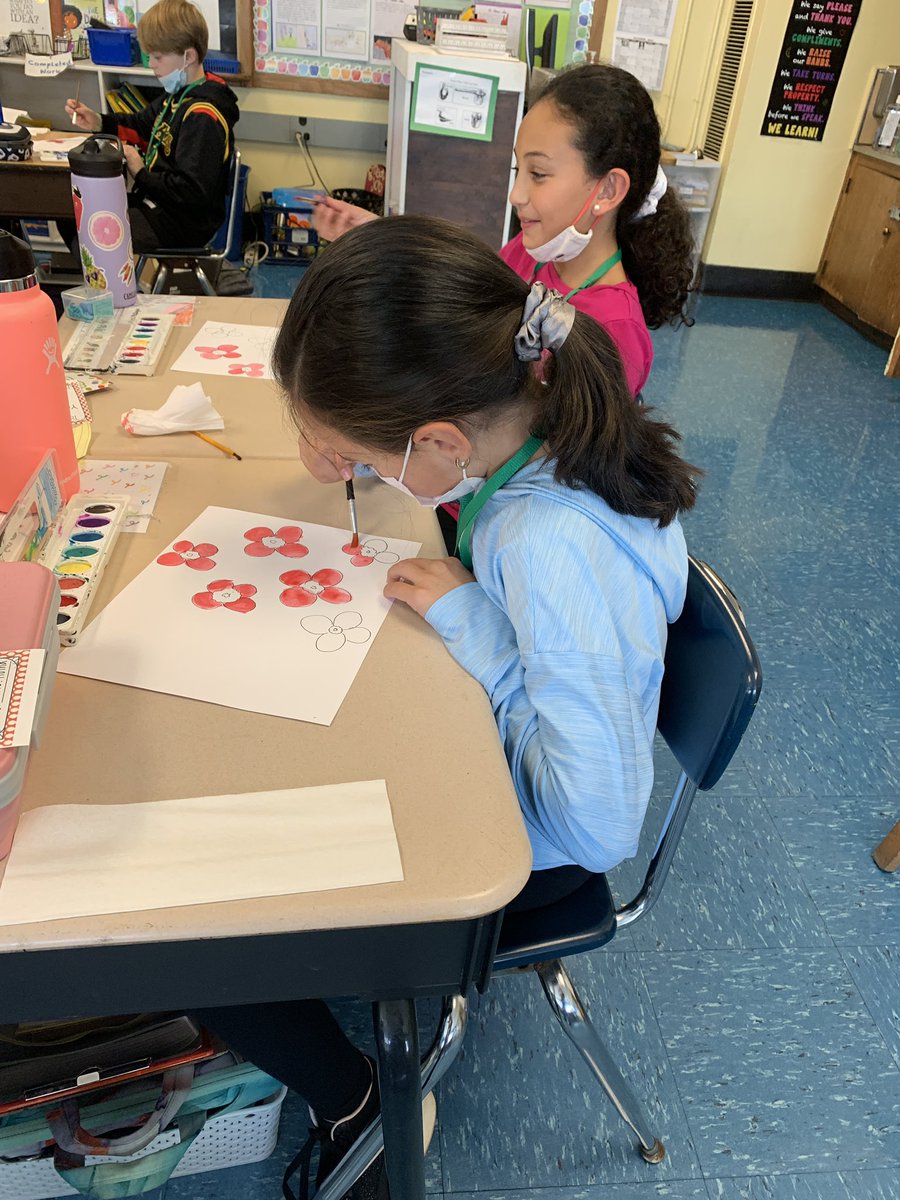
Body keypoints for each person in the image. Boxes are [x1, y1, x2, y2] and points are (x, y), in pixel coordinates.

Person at [194, 214, 700, 1199]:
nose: (366, 479)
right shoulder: (543, 428)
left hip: (524, 857)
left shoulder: (539, 542)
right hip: (508, 751)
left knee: (212, 916)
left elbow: (598, 821)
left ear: (437, 440)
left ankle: (359, 1105)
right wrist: (348, 447)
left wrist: (480, 631)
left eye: (369, 462)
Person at [312, 63, 695, 398]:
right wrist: (383, 242)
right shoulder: (532, 252)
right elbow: (467, 296)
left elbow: (569, 463)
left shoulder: (615, 329)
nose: (516, 195)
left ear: (608, 190)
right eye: (518, 171)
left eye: (539, 175)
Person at [64, 0, 239, 253]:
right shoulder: (178, 96)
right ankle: (120, 285)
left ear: (188, 56)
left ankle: (118, 290)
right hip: (158, 204)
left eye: (157, 56)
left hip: (182, 221)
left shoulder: (203, 116)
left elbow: (191, 193)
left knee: (90, 236)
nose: (152, 64)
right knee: (73, 217)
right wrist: (98, 121)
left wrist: (140, 170)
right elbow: (139, 125)